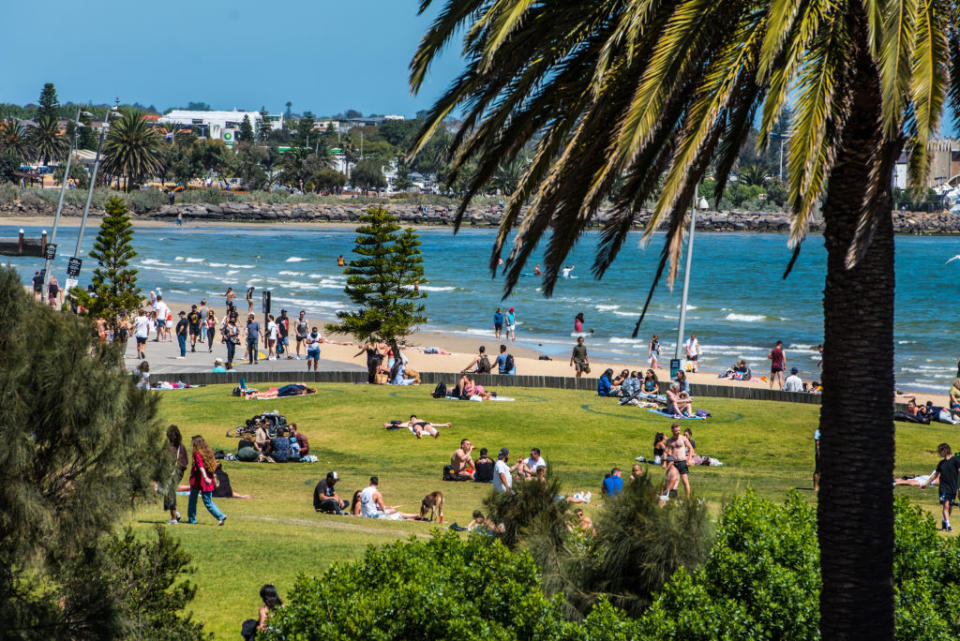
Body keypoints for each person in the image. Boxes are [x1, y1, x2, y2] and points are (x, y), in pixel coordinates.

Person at [186, 435, 227, 525]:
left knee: (193, 500)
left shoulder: (197, 453)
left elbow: (200, 466)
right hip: (208, 480)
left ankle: (192, 519)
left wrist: (205, 477)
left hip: (199, 480)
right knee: (208, 501)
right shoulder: (208, 452)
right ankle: (220, 516)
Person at [920, 443, 960, 531]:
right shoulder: (941, 463)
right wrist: (926, 483)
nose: (939, 453)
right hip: (943, 487)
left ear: (945, 450)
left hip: (953, 487)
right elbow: (935, 475)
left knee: (950, 506)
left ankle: (945, 522)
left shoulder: (956, 460)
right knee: (946, 505)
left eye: (940, 451)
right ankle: (948, 526)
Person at [164, 425, 189, 524]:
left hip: (174, 473)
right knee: (169, 492)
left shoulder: (173, 447)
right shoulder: (181, 446)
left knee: (170, 492)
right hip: (178, 472)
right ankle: (176, 514)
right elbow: (185, 462)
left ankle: (174, 518)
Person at [664, 423, 693, 496]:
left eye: (679, 430)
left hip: (682, 462)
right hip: (674, 463)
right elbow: (665, 451)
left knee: (685, 481)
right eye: (676, 431)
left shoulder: (683, 438)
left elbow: (690, 448)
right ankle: (670, 496)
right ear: (672, 431)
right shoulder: (670, 440)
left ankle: (687, 498)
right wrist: (664, 462)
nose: (678, 432)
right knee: (672, 480)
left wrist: (689, 459)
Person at [813, 428, 821, 492]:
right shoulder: (818, 431)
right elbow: (817, 444)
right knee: (817, 470)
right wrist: (818, 453)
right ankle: (815, 486)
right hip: (820, 454)